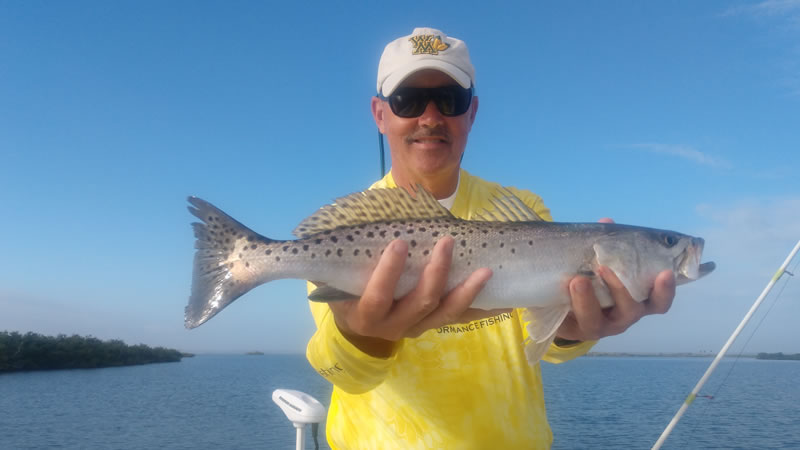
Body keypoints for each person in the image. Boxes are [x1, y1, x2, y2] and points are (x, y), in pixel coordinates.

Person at [305, 27, 676, 449]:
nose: (430, 117)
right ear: (380, 114)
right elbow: (343, 374)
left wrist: (574, 330)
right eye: (407, 101)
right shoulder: (348, 233)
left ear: (472, 112)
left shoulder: (525, 207)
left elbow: (545, 342)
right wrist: (360, 335)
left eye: (450, 100)